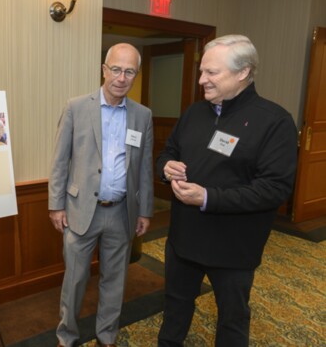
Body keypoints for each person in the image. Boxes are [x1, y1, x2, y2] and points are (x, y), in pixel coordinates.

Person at [156, 35, 298, 346]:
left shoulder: (274, 122)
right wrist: (167, 168)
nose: (201, 80)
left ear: (243, 72)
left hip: (232, 247)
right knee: (175, 309)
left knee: (232, 321)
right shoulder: (195, 113)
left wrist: (207, 197)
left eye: (211, 73)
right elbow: (168, 152)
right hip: (183, 241)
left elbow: (274, 189)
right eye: (201, 71)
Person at [49, 43, 154, 347]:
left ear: (136, 75)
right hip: (81, 209)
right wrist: (56, 206)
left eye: (130, 71)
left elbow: (143, 168)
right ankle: (66, 337)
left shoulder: (142, 115)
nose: (122, 77)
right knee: (75, 280)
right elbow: (59, 160)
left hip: (121, 213)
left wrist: (145, 210)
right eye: (117, 69)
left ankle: (107, 337)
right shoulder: (77, 107)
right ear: (104, 70)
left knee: (114, 280)